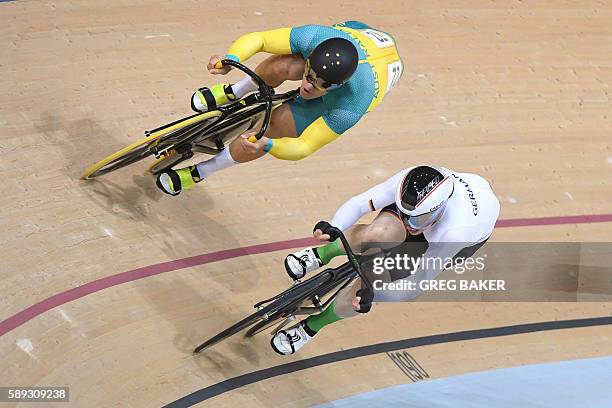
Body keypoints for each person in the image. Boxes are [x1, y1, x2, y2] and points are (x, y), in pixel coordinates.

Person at [271, 165, 501, 355]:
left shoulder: (454, 233)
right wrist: (335, 227)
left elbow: (415, 285)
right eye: (405, 214)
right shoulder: (411, 182)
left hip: (452, 240)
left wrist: (373, 293)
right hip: (431, 206)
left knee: (366, 287)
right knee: (376, 234)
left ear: (438, 209)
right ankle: (320, 255)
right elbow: (360, 203)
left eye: (417, 220)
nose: (410, 225)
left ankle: (313, 326)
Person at [156, 21, 403, 195]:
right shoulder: (314, 36)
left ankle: (200, 172)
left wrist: (269, 145)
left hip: (350, 90)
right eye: (309, 75)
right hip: (357, 33)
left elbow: (305, 146)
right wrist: (231, 59)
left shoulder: (352, 104)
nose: (307, 87)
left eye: (320, 85)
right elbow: (261, 39)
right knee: (284, 65)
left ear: (341, 84)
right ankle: (235, 92)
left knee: (271, 129)